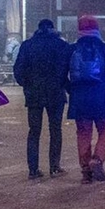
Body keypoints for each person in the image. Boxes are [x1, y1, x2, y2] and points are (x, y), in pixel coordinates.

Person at [12, 20, 71, 179]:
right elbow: (67, 68)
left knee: (34, 131)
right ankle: (54, 166)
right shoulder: (61, 45)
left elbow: (18, 70)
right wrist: (63, 84)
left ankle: (33, 169)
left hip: (34, 93)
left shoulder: (27, 45)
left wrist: (26, 85)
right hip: (55, 93)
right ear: (52, 28)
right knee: (55, 130)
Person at [67, 16, 105, 184]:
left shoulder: (71, 49)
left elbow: (62, 75)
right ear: (98, 29)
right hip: (101, 97)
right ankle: (97, 159)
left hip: (79, 98)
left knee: (83, 133)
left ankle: (85, 172)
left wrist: (72, 90)